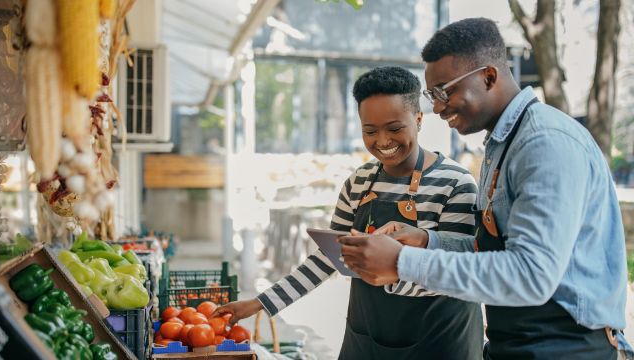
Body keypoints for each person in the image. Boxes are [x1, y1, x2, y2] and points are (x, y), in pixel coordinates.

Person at [338, 18, 634, 360]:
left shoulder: (545, 143)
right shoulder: (503, 144)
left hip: (566, 350)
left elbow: (531, 274)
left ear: (488, 76)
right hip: (516, 346)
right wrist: (428, 241)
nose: (436, 107)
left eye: (444, 91)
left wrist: (404, 262)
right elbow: (496, 254)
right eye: (432, 95)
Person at [210, 66, 484, 359]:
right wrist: (261, 303)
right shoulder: (359, 182)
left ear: (418, 120)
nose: (382, 141)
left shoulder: (456, 183)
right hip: (369, 335)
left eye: (394, 128)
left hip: (439, 339)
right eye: (370, 131)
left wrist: (392, 271)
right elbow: (328, 258)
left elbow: (459, 272)